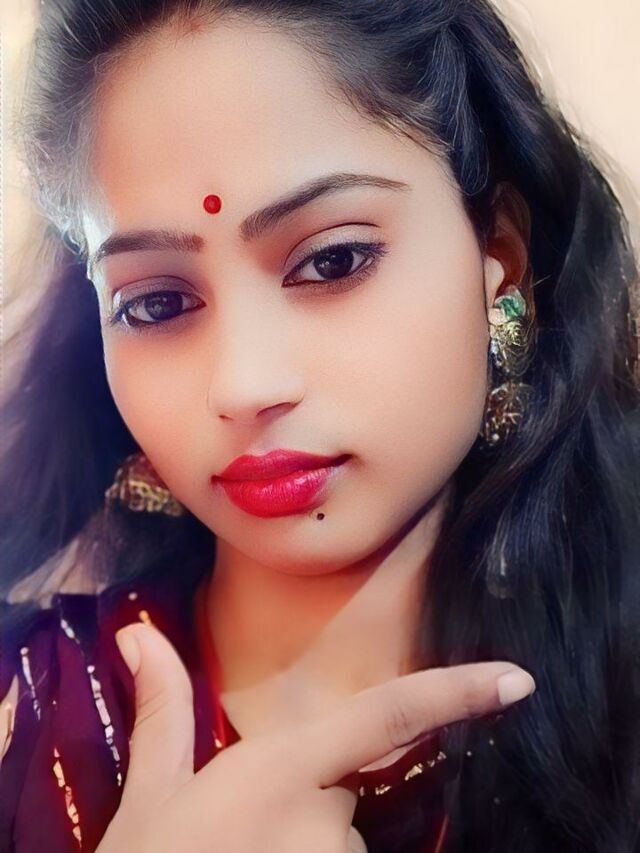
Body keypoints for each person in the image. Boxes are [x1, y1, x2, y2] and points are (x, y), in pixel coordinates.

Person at [1, 0, 639, 850]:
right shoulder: (23, 708)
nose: (245, 384)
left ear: (501, 261)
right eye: (156, 303)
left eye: (333, 259)